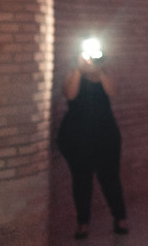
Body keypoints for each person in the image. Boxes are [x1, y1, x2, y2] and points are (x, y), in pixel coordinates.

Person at [56, 49, 129, 239]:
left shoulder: (104, 73)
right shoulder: (73, 73)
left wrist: (100, 70)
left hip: (105, 134)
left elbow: (112, 91)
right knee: (81, 180)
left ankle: (120, 218)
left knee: (110, 178)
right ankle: (83, 223)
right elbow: (70, 94)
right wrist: (79, 70)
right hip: (77, 135)